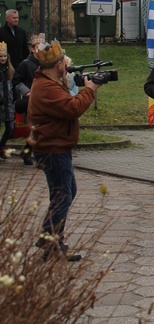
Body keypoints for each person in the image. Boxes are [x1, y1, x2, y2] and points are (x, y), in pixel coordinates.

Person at [28, 40, 101, 261]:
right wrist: (90, 90)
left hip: (56, 145)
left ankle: (53, 245)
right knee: (63, 195)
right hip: (53, 148)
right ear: (59, 65)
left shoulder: (46, 82)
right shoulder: (46, 87)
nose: (65, 66)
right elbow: (73, 108)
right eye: (63, 62)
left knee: (65, 192)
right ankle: (48, 236)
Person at [13, 33, 45, 165]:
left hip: (44, 99)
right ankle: (29, 152)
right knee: (35, 127)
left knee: (40, 128)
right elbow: (16, 81)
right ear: (32, 49)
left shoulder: (47, 64)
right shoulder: (26, 64)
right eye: (38, 47)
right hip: (31, 100)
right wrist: (26, 92)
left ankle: (30, 151)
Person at [0, 42, 15, 156]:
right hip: (0, 103)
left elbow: (12, 87)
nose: (3, 58)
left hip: (8, 104)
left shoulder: (9, 70)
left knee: (10, 127)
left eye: (5, 56)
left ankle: (1, 146)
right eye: (1, 56)